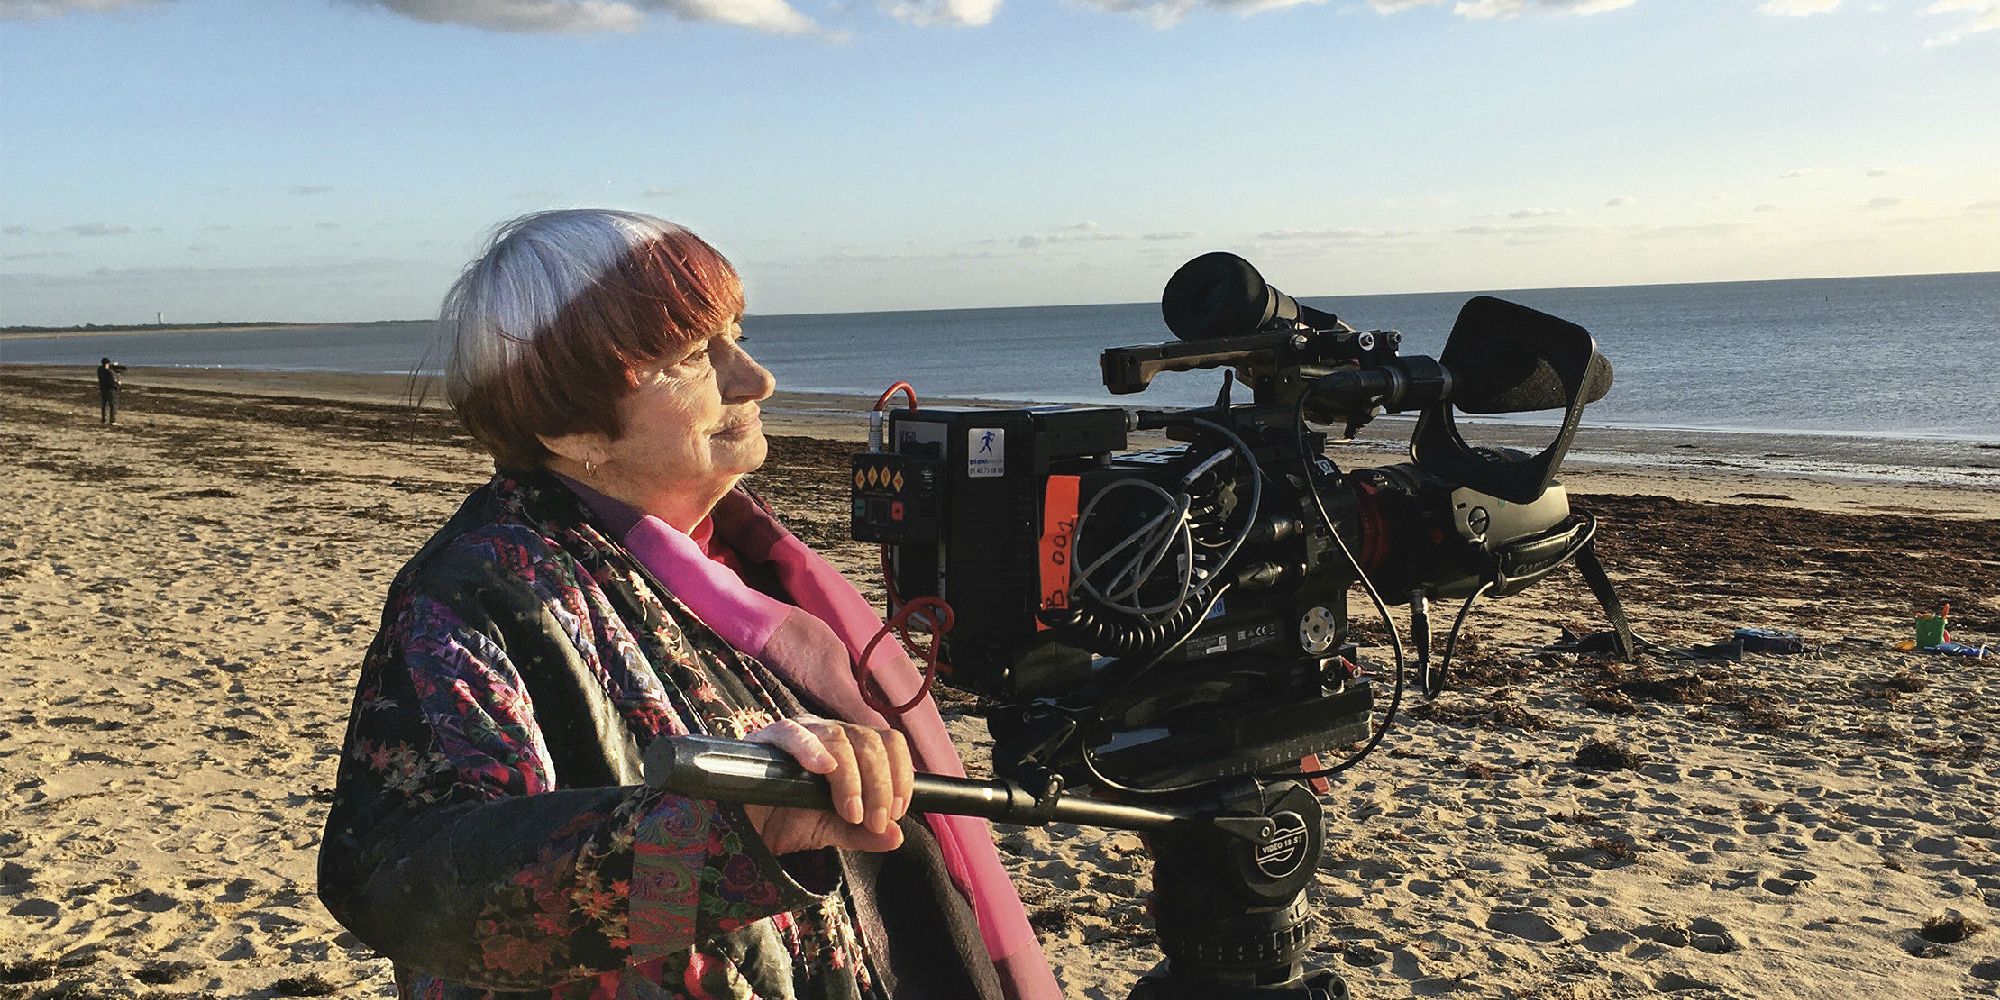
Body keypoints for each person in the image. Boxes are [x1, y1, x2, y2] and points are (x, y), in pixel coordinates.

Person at [317, 209, 1061, 1000]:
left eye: (736, 335)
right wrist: (714, 837)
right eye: (692, 358)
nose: (754, 379)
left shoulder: (747, 556)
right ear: (569, 428)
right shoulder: (479, 592)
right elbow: (402, 871)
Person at [96, 357, 125, 425]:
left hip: (103, 389)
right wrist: (118, 382)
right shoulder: (109, 372)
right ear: (107, 364)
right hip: (110, 389)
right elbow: (113, 379)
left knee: (104, 404)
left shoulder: (99, 370)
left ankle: (104, 419)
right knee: (112, 405)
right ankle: (112, 420)